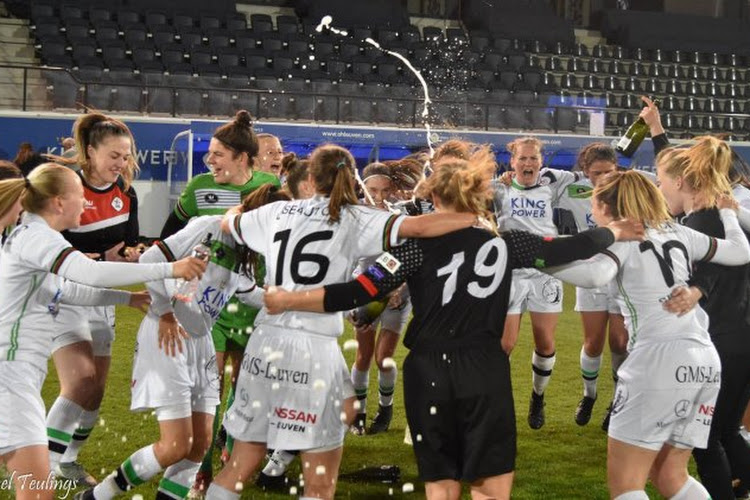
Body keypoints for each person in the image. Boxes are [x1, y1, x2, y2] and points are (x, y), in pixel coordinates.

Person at [260, 155, 645, 500]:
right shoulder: (507, 242)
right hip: (482, 369)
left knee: (440, 488)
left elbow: (360, 290)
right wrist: (614, 232)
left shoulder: (413, 247)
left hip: (426, 370)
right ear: (478, 195)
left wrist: (290, 299)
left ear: (434, 198)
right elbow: (568, 247)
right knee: (490, 490)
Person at [205, 143, 482, 500]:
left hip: (266, 342)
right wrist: (474, 220)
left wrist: (237, 213)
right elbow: (419, 228)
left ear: (311, 178)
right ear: (351, 178)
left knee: (240, 464)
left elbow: (230, 221)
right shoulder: (356, 217)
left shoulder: (277, 212)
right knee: (320, 480)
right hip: (313, 348)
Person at [0, 163, 205, 500]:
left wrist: (126, 299)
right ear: (58, 202)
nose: (86, 203)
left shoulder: (33, 236)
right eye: (80, 196)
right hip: (10, 377)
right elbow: (89, 273)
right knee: (38, 493)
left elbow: (67, 291)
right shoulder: (38, 238)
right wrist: (172, 267)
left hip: (16, 375)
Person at [75, 185, 289, 500]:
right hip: (169, 336)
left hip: (200, 341)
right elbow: (151, 257)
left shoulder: (247, 250)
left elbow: (246, 292)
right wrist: (164, 313)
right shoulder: (210, 227)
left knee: (199, 445)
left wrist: (298, 300)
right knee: (174, 445)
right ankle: (96, 497)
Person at [574, 169, 750, 499]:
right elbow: (742, 252)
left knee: (626, 482)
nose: (592, 209)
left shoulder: (624, 238)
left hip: (658, 361)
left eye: (596, 202)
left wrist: (535, 256)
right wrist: (728, 214)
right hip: (704, 361)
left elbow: (592, 274)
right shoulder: (679, 233)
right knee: (670, 473)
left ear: (609, 207)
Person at [157, 111, 280, 495]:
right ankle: (201, 471)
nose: (209, 161)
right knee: (208, 392)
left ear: (242, 157)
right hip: (213, 307)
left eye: (217, 154)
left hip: (255, 305)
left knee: (244, 392)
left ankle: (228, 457)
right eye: (209, 155)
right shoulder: (197, 189)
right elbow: (169, 234)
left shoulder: (270, 185)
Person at [43, 113, 147, 486]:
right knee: (81, 380)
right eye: (114, 155)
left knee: (96, 388)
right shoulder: (67, 188)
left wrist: (132, 254)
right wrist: (98, 260)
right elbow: (49, 244)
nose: (121, 164)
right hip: (64, 295)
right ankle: (41, 464)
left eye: (126, 156)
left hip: (103, 296)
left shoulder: (126, 193)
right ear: (90, 152)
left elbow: (130, 241)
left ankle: (69, 458)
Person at [655, 137, 750, 500]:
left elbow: (704, 280)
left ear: (680, 182)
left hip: (721, 341)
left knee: (706, 440)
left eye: (662, 182)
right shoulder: (728, 217)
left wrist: (693, 291)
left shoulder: (699, 223)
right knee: (727, 431)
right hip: (742, 335)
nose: (660, 190)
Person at [492, 136, 580, 430]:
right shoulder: (498, 188)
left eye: (533, 158)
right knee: (504, 344)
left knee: (545, 343)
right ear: (512, 161)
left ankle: (537, 397)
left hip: (545, 272)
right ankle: (498, 405)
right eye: (522, 158)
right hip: (511, 273)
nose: (528, 163)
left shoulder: (553, 184)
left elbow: (592, 177)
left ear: (541, 162)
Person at [556, 142, 629, 427]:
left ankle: (617, 401)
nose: (602, 179)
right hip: (591, 276)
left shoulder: (629, 191)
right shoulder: (572, 192)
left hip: (621, 275)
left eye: (608, 172)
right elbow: (538, 183)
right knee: (593, 343)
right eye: (595, 173)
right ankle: (589, 395)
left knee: (620, 343)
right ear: (585, 171)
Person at [349, 162, 410, 436]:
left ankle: (385, 408)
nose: (379, 196)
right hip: (365, 292)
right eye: (373, 190)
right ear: (363, 189)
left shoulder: (401, 215)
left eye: (384, 190)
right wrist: (356, 292)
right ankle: (358, 413)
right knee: (363, 356)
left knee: (383, 357)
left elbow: (412, 258)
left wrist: (400, 288)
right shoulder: (354, 217)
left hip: (397, 295)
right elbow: (348, 260)